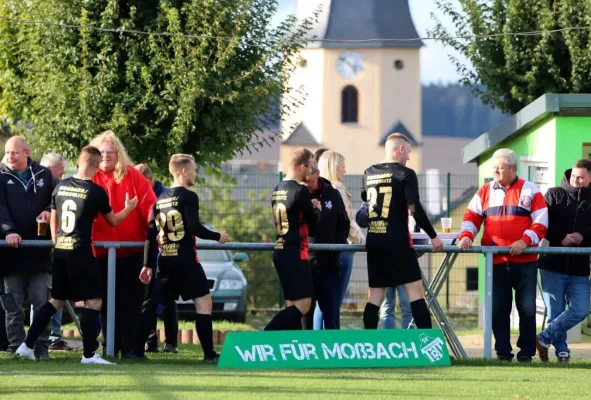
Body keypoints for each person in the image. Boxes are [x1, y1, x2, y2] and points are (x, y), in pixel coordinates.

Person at [15, 146, 138, 364]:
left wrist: (57, 243)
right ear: (97, 164)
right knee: (94, 302)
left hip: (61, 249)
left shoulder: (61, 186)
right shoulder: (96, 192)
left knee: (56, 300)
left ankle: (27, 345)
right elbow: (113, 222)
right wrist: (128, 208)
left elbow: (53, 219)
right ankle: (89, 355)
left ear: (80, 161)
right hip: (81, 251)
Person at [134, 154, 229, 364]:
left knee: (153, 305)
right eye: (194, 169)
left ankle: (136, 351)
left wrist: (147, 264)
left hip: (165, 260)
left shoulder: (159, 201)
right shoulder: (188, 196)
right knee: (204, 304)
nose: (195, 173)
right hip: (186, 260)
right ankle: (209, 354)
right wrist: (217, 237)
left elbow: (150, 236)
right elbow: (194, 227)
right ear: (184, 171)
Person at [458, 148, 548, 362]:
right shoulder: (484, 191)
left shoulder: (530, 190)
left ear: (513, 168)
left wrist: (524, 241)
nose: (496, 171)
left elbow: (541, 221)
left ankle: (526, 354)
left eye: (500, 167)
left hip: (525, 262)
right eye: (494, 168)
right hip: (496, 261)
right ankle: (503, 353)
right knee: (499, 309)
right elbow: (472, 216)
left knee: (526, 310)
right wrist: (466, 235)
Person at [361, 133, 444, 331]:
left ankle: (368, 346)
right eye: (407, 152)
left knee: (375, 296)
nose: (408, 157)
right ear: (399, 150)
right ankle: (427, 346)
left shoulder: (368, 172)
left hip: (374, 241)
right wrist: (433, 236)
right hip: (397, 241)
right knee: (415, 292)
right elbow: (415, 209)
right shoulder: (405, 174)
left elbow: (366, 200)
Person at [89, 130, 157, 358]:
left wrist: (153, 230)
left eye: (110, 151)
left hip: (131, 251)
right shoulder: (89, 177)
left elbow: (150, 207)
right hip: (98, 253)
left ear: (119, 154)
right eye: (101, 152)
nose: (106, 156)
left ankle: (130, 349)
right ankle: (109, 347)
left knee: (131, 303)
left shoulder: (133, 176)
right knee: (103, 304)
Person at [0, 136, 56, 358]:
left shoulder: (44, 174)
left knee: (42, 301)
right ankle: (17, 349)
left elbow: (56, 198)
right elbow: (0, 206)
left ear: (27, 152)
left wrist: (49, 210)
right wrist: (9, 231)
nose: (10, 156)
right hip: (9, 253)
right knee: (12, 305)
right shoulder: (1, 175)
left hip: (39, 253)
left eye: (14, 152)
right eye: (7, 152)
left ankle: (41, 348)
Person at [536, 159, 591, 363]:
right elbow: (541, 224)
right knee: (556, 311)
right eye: (574, 176)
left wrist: (582, 237)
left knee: (581, 309)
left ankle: (543, 338)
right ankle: (562, 351)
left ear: (590, 178)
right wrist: (562, 237)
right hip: (552, 264)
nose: (576, 180)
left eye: (582, 177)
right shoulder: (553, 194)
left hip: (580, 268)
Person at [265, 147, 321, 331]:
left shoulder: (277, 189)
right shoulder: (300, 191)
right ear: (302, 166)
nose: (312, 170)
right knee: (304, 304)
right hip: (295, 252)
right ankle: (265, 335)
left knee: (292, 303)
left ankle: (288, 347)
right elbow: (314, 222)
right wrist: (316, 208)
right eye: (311, 166)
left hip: (280, 250)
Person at [314, 150, 363, 329]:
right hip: (343, 248)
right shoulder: (337, 190)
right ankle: (330, 342)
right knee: (334, 302)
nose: (345, 170)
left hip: (324, 249)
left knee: (323, 302)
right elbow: (347, 221)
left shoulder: (321, 190)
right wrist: (358, 238)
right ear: (334, 167)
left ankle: (318, 339)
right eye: (342, 166)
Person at [134, 163, 179, 353]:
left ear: (150, 180)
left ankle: (170, 342)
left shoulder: (165, 197)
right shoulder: (142, 194)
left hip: (162, 255)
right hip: (146, 253)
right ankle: (150, 341)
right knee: (147, 299)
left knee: (166, 299)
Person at [302, 164, 349, 330]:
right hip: (305, 263)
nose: (308, 185)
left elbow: (344, 222)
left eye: (311, 181)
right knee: (305, 312)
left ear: (318, 174)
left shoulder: (332, 194)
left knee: (331, 312)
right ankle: (307, 349)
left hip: (329, 263)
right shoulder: (300, 194)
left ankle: (334, 349)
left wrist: (336, 244)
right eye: (305, 182)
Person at [355, 202, 414, 329]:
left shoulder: (406, 197)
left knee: (406, 304)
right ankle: (389, 341)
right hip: (384, 258)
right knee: (387, 305)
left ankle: (408, 342)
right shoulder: (373, 197)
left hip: (401, 258)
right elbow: (361, 219)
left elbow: (418, 221)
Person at [39, 152, 72, 351]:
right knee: (43, 297)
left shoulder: (56, 188)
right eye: (59, 173)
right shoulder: (43, 186)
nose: (62, 177)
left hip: (56, 250)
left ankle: (53, 336)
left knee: (56, 293)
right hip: (42, 251)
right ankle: (46, 337)